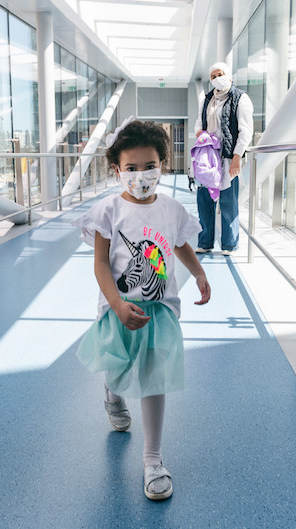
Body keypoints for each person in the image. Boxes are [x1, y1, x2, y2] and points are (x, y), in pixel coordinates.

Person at [72, 119, 211, 501]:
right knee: (117, 369)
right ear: (117, 170)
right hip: (120, 308)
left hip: (159, 310)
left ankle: (153, 459)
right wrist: (116, 304)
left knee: (154, 377)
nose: (140, 176)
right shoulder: (107, 211)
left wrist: (198, 272)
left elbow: (180, 243)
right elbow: (101, 264)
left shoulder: (170, 208)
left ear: (162, 165)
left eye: (148, 166)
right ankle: (112, 393)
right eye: (130, 169)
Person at [193, 62, 254, 255]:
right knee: (204, 200)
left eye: (220, 74)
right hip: (207, 156)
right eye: (213, 76)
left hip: (228, 157)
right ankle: (205, 242)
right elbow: (199, 121)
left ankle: (229, 244)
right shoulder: (207, 99)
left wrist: (237, 156)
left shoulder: (240, 98)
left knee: (228, 202)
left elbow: (246, 130)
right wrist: (199, 132)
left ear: (228, 75)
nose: (217, 78)